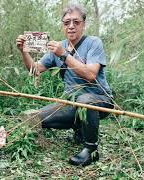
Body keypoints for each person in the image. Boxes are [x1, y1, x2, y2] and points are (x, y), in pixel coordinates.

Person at [16, 3, 114, 166]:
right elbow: (35, 70)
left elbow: (90, 75)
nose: (71, 26)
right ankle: (80, 127)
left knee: (85, 101)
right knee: (34, 117)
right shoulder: (58, 47)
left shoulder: (93, 42)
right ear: (63, 25)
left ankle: (91, 150)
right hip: (72, 102)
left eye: (76, 22)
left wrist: (64, 54)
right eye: (67, 22)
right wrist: (23, 51)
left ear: (84, 24)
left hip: (100, 100)